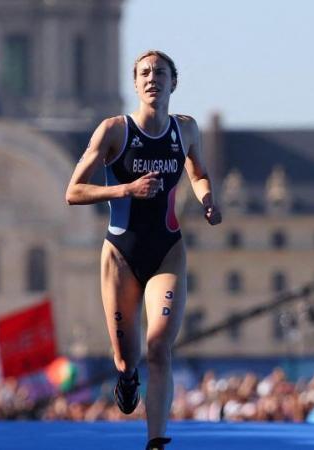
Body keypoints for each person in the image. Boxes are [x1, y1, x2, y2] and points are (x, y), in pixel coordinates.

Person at [65, 50, 222, 450]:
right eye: (145, 73)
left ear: (174, 82)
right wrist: (126, 189)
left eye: (161, 73)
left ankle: (156, 440)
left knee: (159, 347)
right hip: (120, 253)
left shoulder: (185, 130)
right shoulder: (114, 131)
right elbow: (74, 191)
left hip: (167, 251)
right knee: (126, 355)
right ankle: (125, 374)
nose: (153, 79)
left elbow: (197, 170)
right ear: (135, 84)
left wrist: (206, 198)